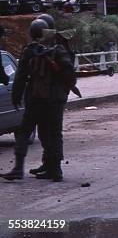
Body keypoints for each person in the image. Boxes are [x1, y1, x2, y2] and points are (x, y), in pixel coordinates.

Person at [0, 17, 76, 182]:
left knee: (25, 132)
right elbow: (70, 76)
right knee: (53, 134)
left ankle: (18, 168)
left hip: (36, 99)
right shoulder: (60, 49)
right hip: (55, 100)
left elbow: (20, 77)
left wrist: (16, 97)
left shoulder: (30, 50)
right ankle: (55, 170)